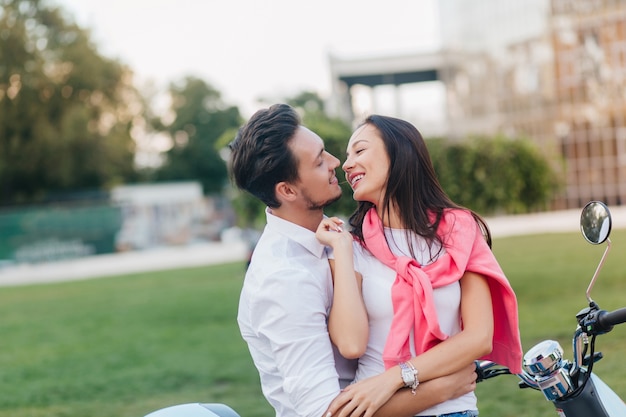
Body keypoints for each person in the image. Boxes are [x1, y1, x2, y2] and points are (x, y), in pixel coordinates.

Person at [229, 104, 477, 417]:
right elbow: (324, 413)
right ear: (288, 190)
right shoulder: (285, 278)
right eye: (320, 161)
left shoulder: (341, 240)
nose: (337, 163)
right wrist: (438, 391)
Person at [316, 115, 523, 417]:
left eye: (359, 151)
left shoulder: (459, 230)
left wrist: (393, 378)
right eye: (348, 156)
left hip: (451, 411)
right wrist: (342, 250)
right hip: (377, 409)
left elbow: (478, 336)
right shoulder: (352, 245)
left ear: (400, 152)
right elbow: (350, 343)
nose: (346, 165)